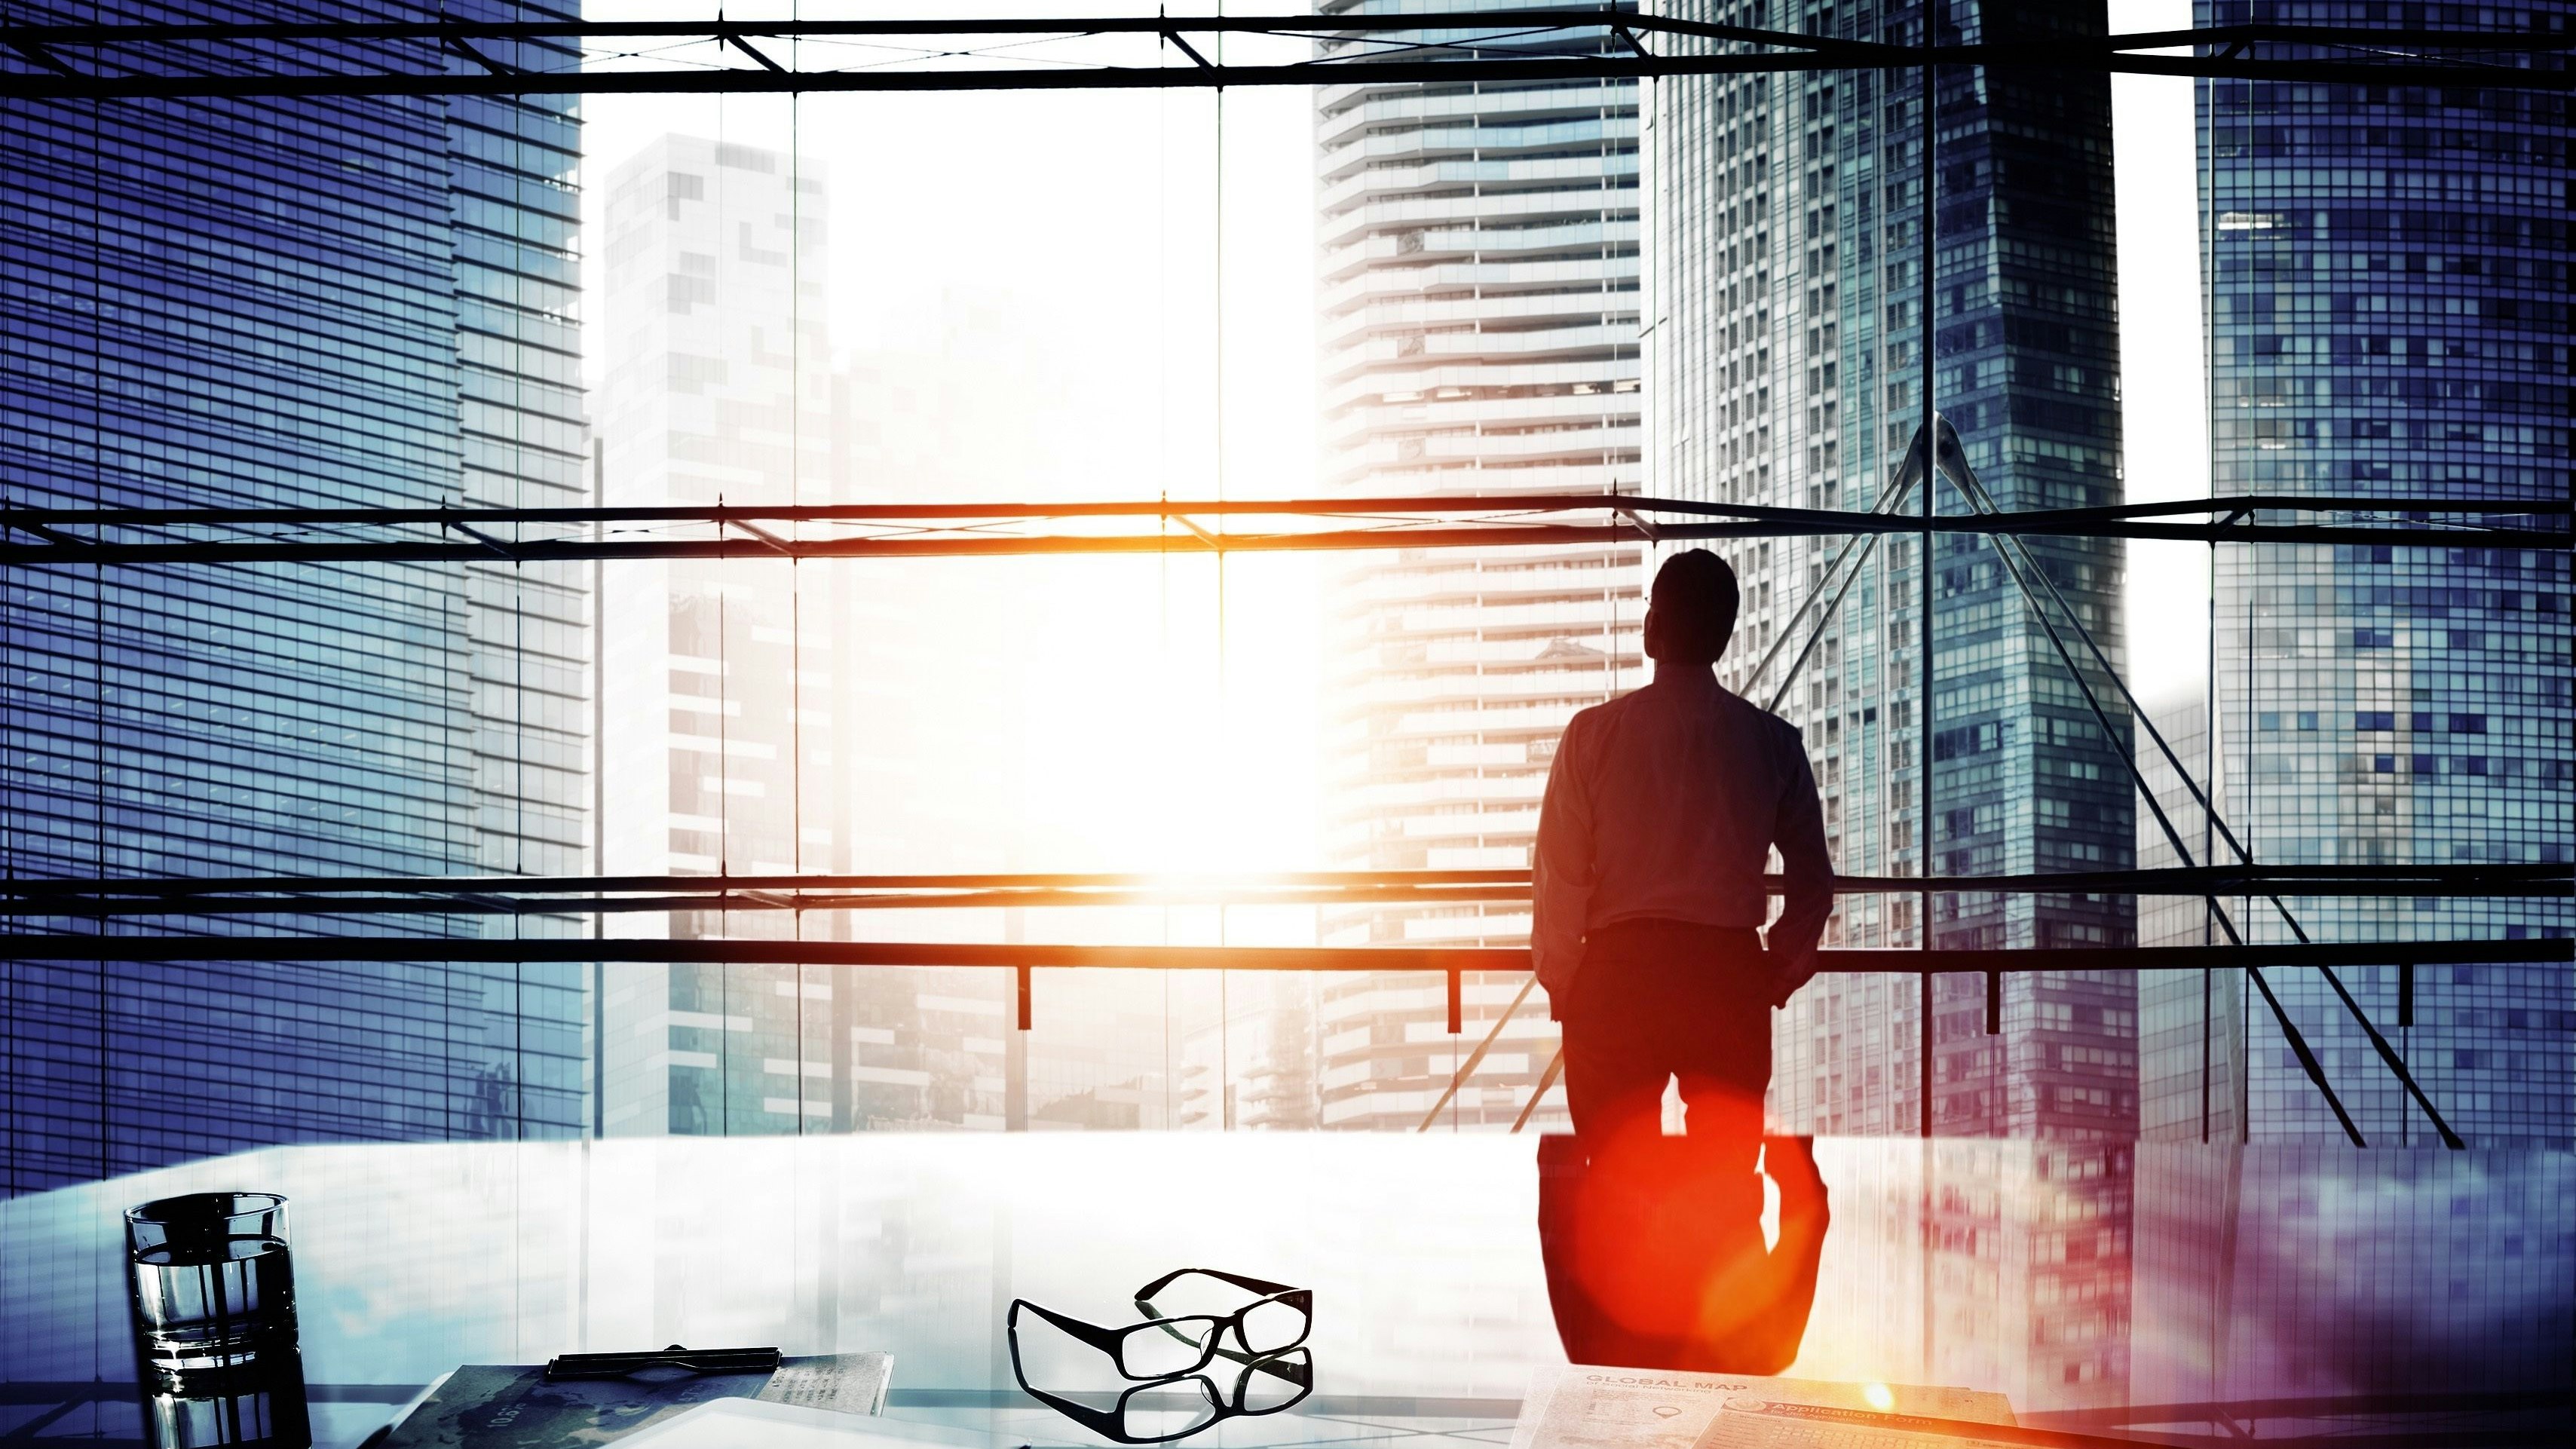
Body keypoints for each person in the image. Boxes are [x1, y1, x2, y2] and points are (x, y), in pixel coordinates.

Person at [1529, 547, 1836, 1372]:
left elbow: (1561, 871)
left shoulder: (1592, 736)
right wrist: (1774, 969)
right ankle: (1708, 1325)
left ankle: (1639, 1322)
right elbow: (1814, 878)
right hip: (1724, 972)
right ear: (1728, 633)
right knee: (1723, 1172)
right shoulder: (1772, 744)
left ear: (1654, 625)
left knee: (1616, 1170)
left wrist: (1565, 976)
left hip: (1620, 972)